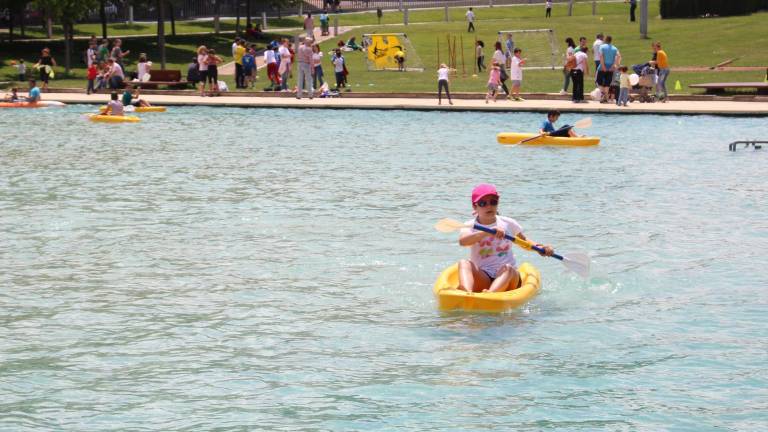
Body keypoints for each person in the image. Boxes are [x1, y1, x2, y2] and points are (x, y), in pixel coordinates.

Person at [457, 184, 553, 293]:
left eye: (493, 202)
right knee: (464, 262)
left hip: (508, 277)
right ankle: (465, 293)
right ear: (475, 207)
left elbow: (524, 242)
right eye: (483, 203)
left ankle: (491, 295)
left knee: (508, 268)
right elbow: (463, 241)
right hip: (484, 276)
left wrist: (540, 248)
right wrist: (486, 233)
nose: (489, 206)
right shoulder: (470, 225)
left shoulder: (508, 223)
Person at [597, 35, 620, 103]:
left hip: (602, 67)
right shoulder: (615, 48)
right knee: (607, 83)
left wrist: (603, 66)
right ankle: (606, 97)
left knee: (599, 81)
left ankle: (603, 95)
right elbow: (618, 56)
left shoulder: (602, 47)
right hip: (610, 68)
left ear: (605, 40)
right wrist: (613, 65)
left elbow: (601, 56)